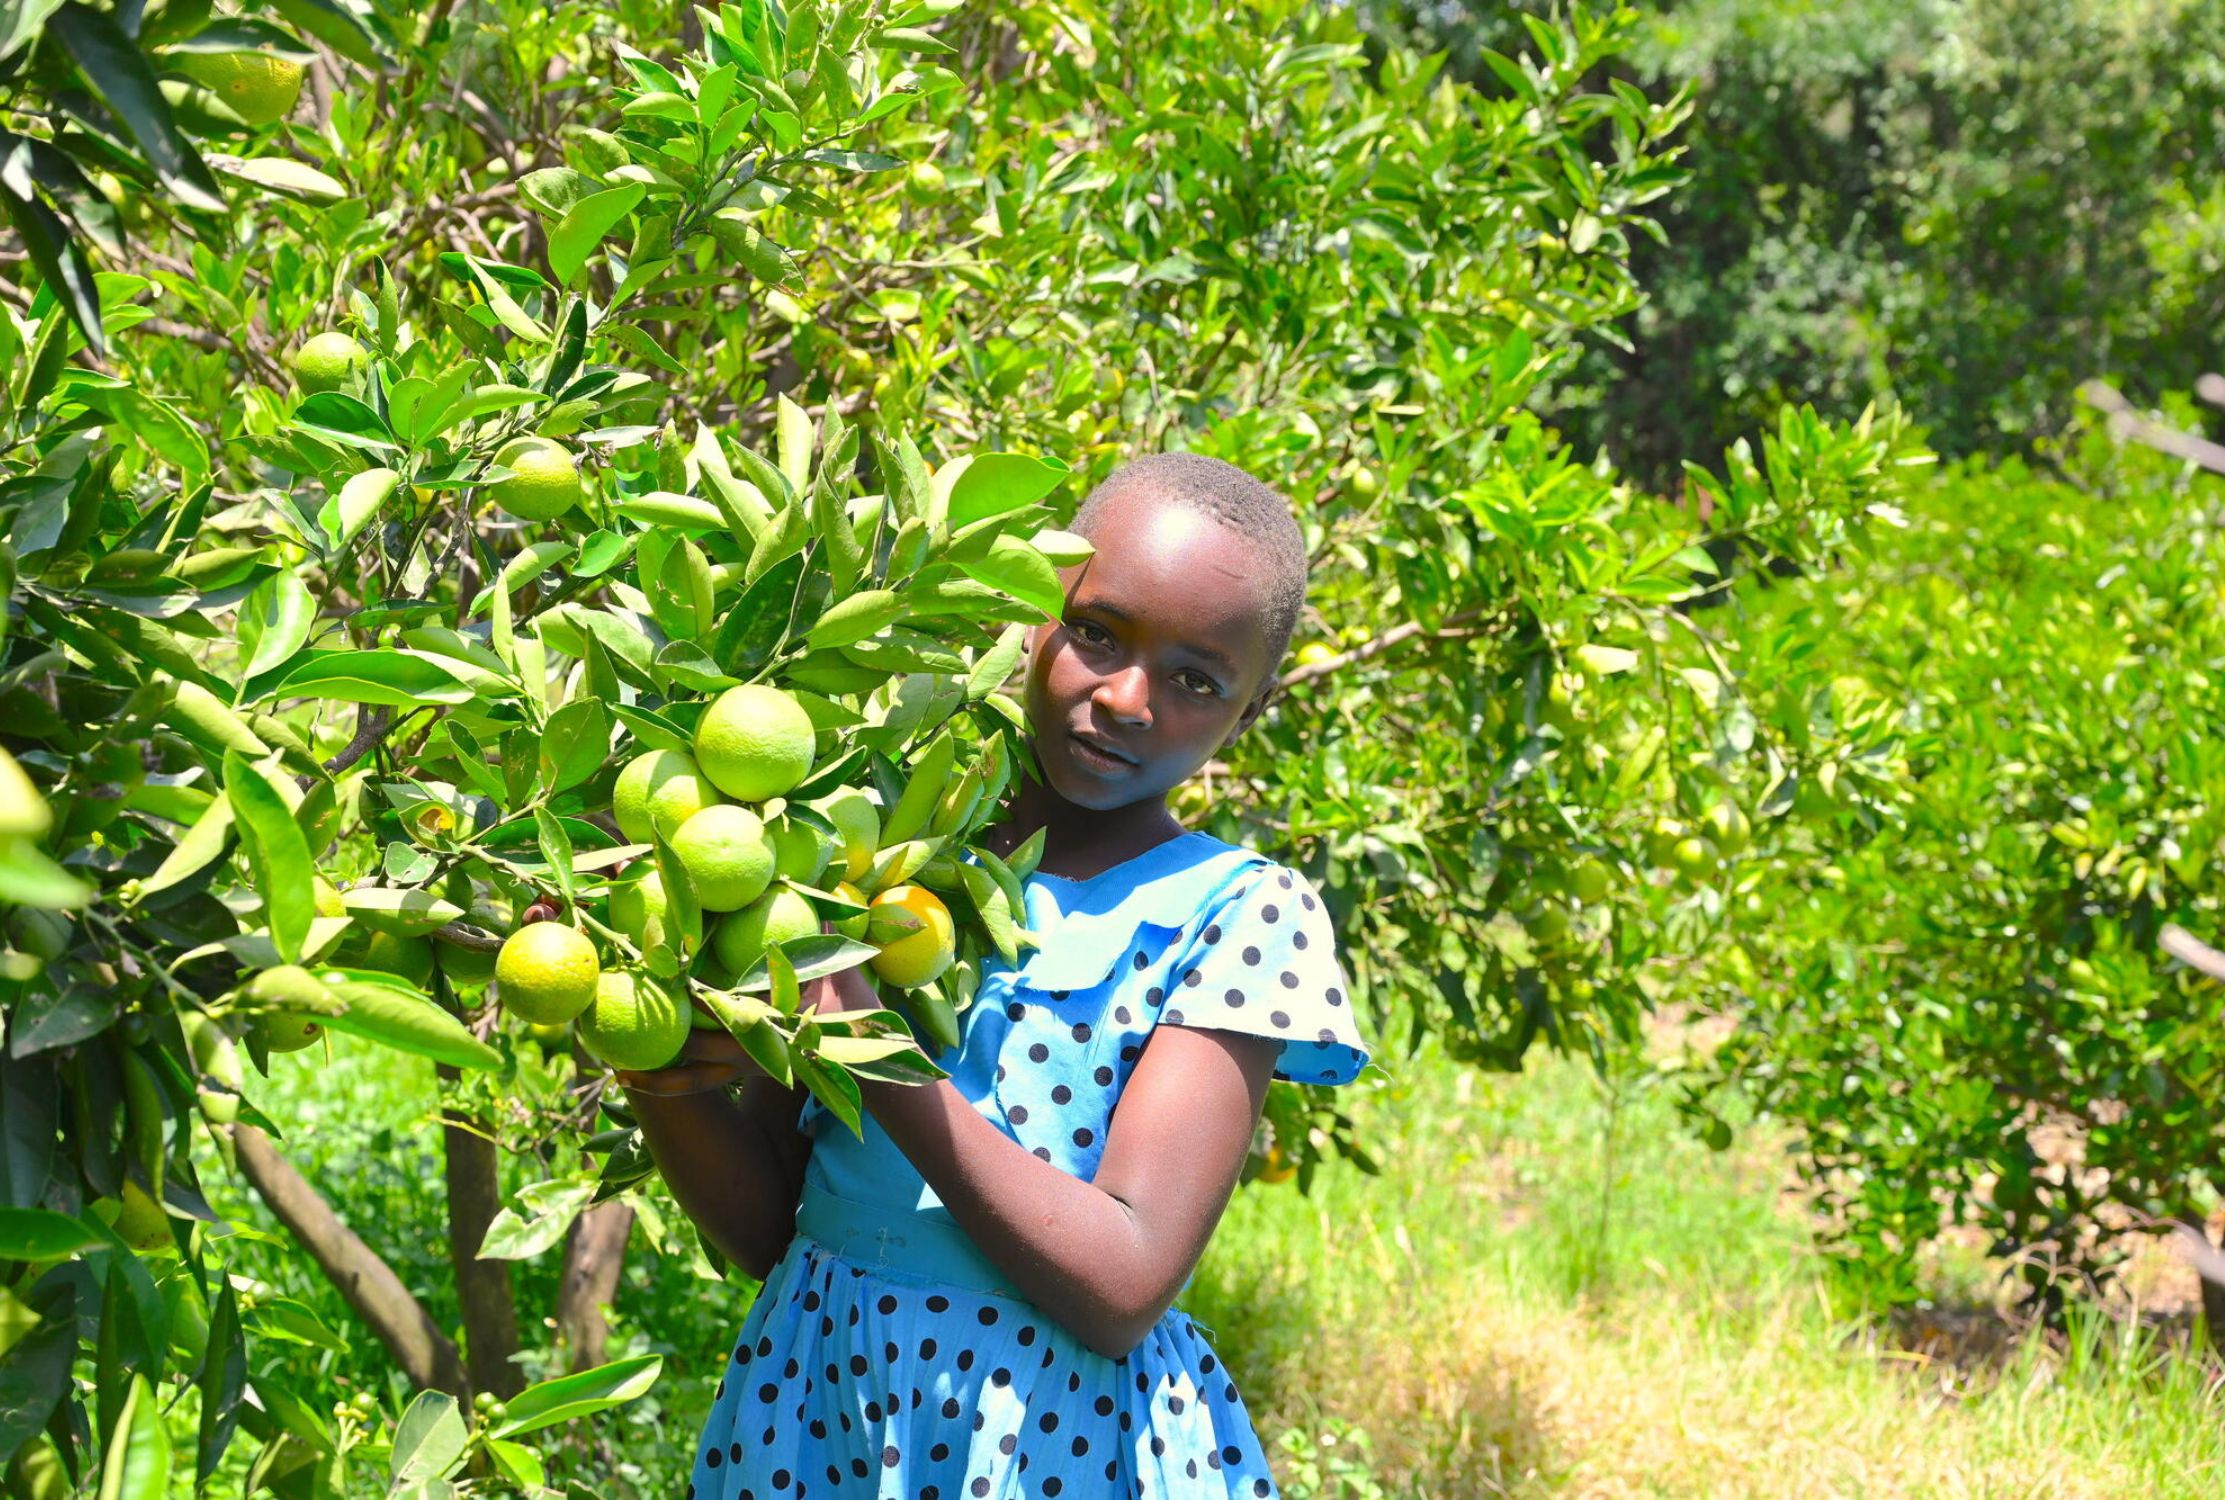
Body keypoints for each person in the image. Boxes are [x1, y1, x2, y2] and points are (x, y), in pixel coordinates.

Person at [620, 451, 1372, 1499]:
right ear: (1028, 613)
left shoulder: (1235, 916)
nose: (1124, 699)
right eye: (1096, 632)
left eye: (1195, 682)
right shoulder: (877, 857)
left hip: (1047, 1446)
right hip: (821, 1412)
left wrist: (873, 1053)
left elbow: (1123, 1283)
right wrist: (652, 1054)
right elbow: (768, 1230)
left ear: (1246, 712)